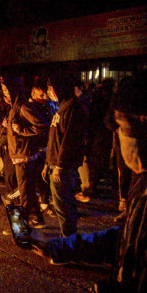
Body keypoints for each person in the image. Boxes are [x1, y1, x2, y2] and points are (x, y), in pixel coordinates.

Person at [29, 70, 147, 293]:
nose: (118, 136)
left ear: (146, 124)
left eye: (120, 125)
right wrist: (60, 247)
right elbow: (129, 239)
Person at [43, 74, 88, 237]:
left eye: (51, 88)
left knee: (64, 205)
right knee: (62, 203)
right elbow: (55, 137)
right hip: (56, 164)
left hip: (63, 167)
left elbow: (69, 140)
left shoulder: (72, 107)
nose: (49, 92)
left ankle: (69, 241)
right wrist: (48, 163)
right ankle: (69, 238)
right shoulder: (63, 106)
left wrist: (59, 166)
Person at [7, 79, 51, 228]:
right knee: (28, 190)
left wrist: (23, 131)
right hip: (20, 154)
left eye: (7, 91)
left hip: (24, 155)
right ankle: (37, 218)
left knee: (24, 192)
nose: (5, 95)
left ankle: (21, 227)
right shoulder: (14, 107)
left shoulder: (23, 107)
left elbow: (43, 125)